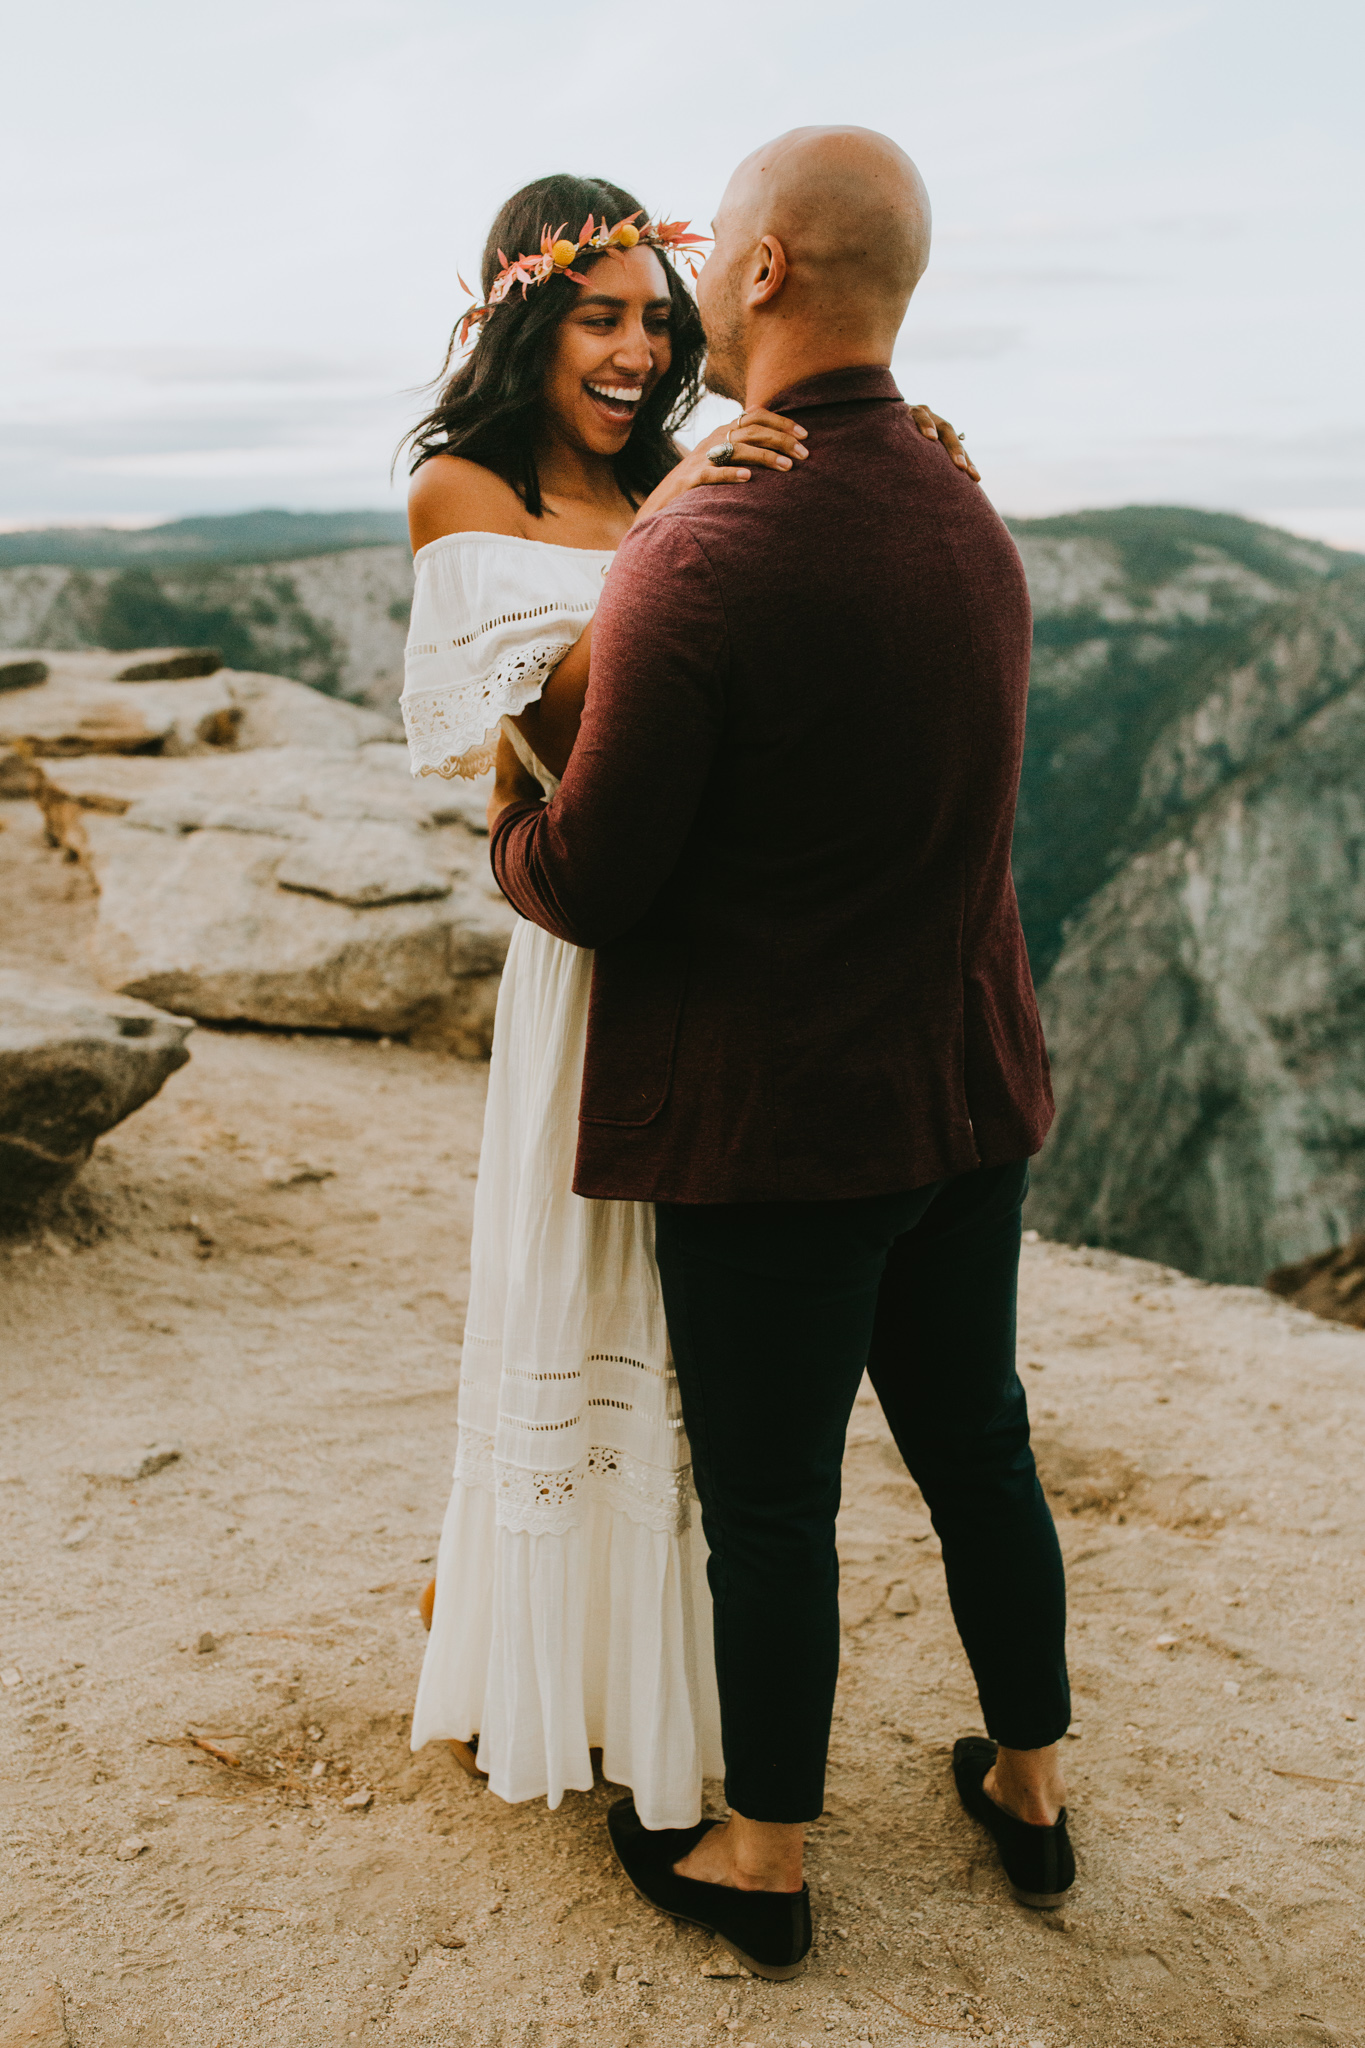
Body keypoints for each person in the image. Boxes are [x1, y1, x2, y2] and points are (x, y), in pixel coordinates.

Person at [486, 127, 1073, 1980]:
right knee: (981, 1446)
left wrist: (501, 820)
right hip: (964, 1091)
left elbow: (588, 878)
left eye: (708, 250)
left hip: (779, 1130)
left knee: (769, 1502)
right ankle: (1033, 1787)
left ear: (759, 272)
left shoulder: (711, 544)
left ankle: (762, 1851)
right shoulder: (966, 512)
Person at [400, 172, 977, 1830]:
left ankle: (657, 1675)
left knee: (686, 1344)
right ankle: (529, 1646)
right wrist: (673, 531)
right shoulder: (462, 489)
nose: (640, 351)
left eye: (661, 320)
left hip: (713, 968)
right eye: (602, 316)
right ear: (529, 321)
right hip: (587, 957)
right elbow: (551, 717)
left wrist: (887, 451)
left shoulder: (687, 467)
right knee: (568, 1304)